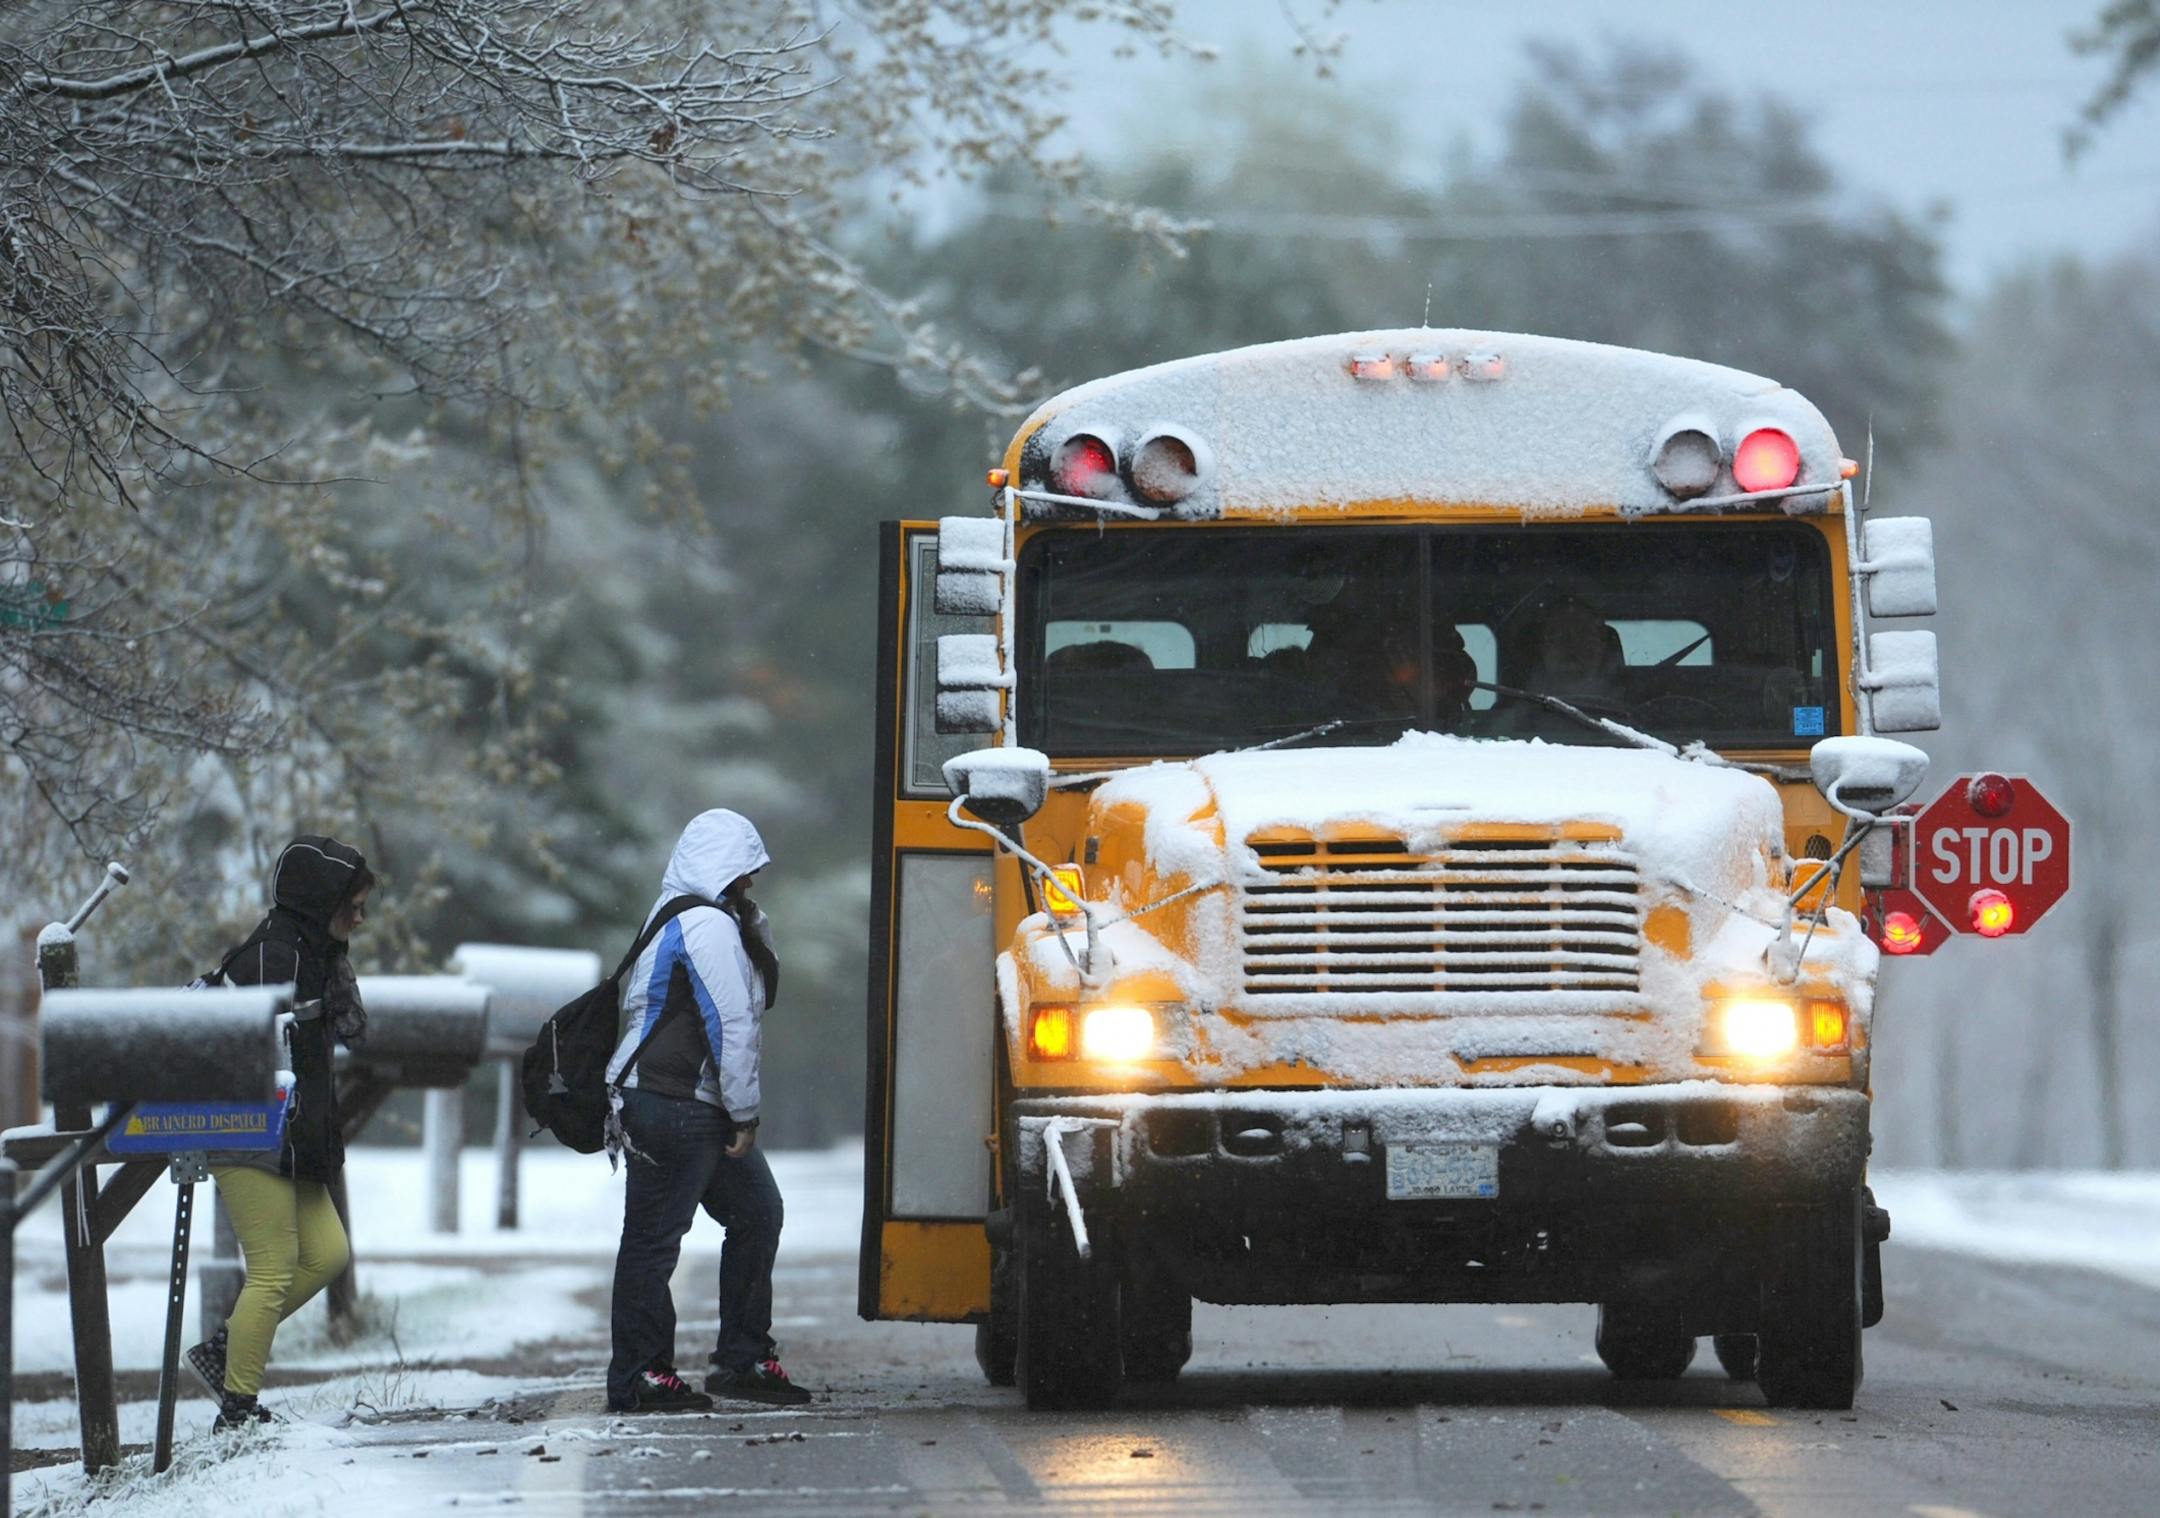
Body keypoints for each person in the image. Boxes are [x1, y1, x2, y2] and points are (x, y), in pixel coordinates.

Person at [604, 809, 809, 1413]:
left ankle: (743, 1358)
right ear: (725, 871)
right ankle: (640, 1376)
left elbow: (754, 993)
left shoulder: (694, 918)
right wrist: (745, 1113)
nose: (751, 885)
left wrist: (751, 921)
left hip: (681, 1101)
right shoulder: (705, 925)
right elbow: (732, 1020)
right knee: (652, 1242)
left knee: (756, 1212)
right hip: (673, 1104)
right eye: (746, 875)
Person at [185, 835, 374, 1432]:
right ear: (323, 902)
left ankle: (224, 1350)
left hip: (290, 1135)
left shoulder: (313, 952)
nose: (361, 916)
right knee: (273, 1267)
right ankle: (237, 1413)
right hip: (249, 1132)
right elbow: (260, 1062)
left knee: (326, 1256)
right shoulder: (276, 957)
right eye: (354, 903)